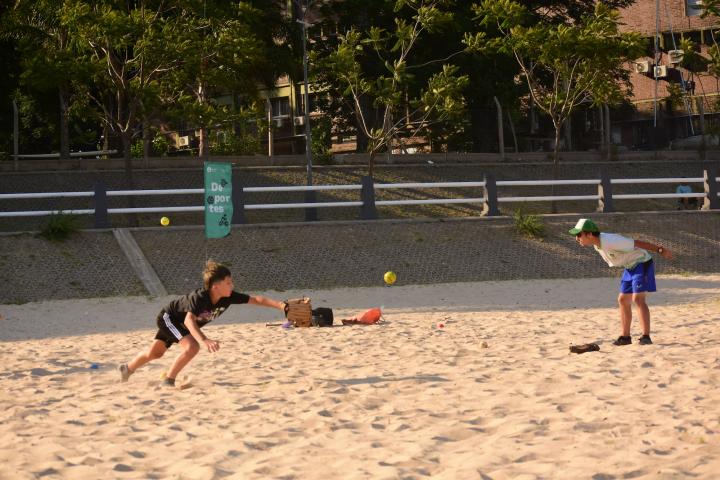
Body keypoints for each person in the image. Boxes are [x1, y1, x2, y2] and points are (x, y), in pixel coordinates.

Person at [118, 260, 289, 387]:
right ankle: (169, 380)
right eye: (228, 282)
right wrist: (204, 340)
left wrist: (281, 306)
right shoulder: (200, 298)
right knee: (192, 347)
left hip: (181, 324)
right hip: (170, 319)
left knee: (156, 353)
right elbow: (188, 320)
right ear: (216, 286)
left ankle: (127, 368)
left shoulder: (227, 297)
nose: (232, 285)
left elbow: (256, 299)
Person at [569, 218, 673, 346]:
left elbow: (637, 243)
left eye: (579, 234)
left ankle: (646, 336)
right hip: (630, 267)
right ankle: (625, 337)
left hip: (641, 262)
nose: (577, 238)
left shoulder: (610, 240)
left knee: (638, 299)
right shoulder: (597, 245)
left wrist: (660, 250)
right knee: (623, 300)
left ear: (589, 234)